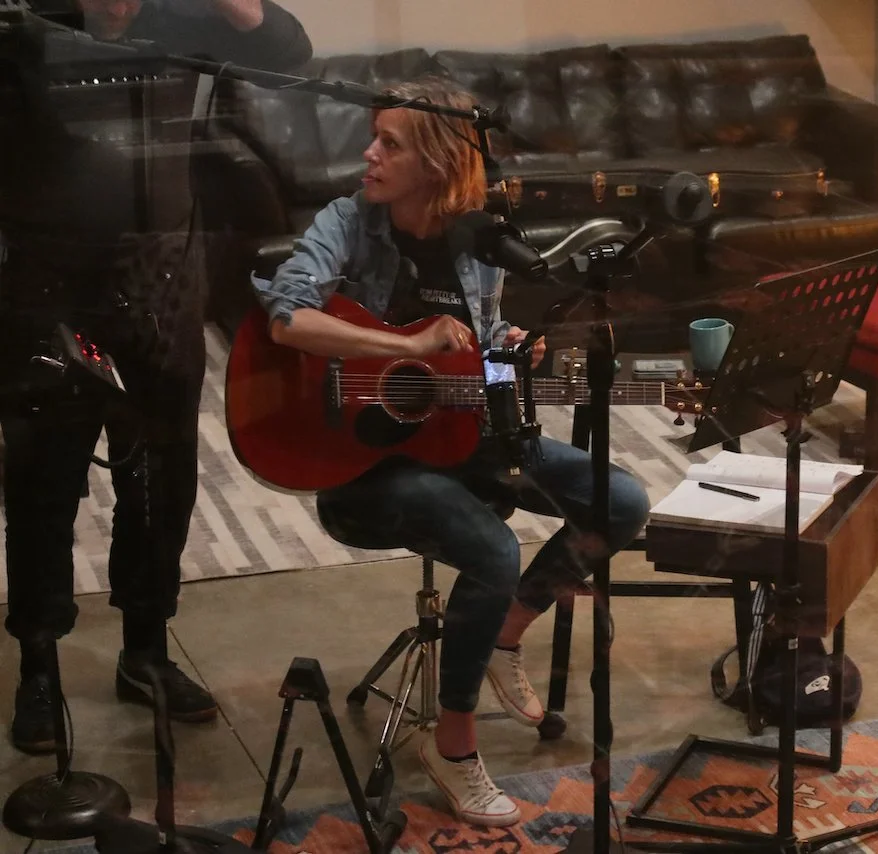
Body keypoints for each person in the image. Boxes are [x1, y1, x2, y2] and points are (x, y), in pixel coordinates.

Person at [254, 75, 650, 827]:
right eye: (374, 137)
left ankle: (506, 633)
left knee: (621, 501)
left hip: (463, 435)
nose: (368, 154)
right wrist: (404, 342)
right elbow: (286, 318)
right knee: (493, 549)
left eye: (389, 143)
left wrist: (510, 360)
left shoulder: (477, 242)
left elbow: (475, 363)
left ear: (437, 162)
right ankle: (455, 743)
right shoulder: (349, 220)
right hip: (364, 465)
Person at [0, 0, 311, 754]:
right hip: (48, 278)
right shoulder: (22, 25)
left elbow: (286, 50)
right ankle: (37, 665)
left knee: (161, 475)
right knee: (43, 476)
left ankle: (145, 651)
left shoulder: (187, 19)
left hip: (163, 269)